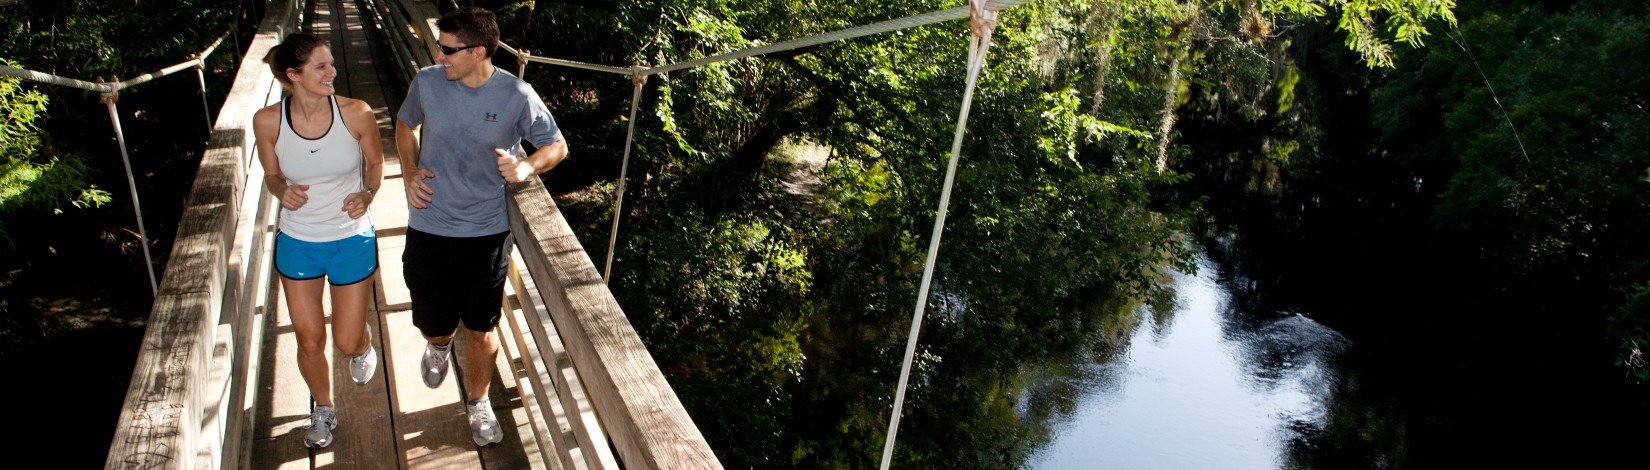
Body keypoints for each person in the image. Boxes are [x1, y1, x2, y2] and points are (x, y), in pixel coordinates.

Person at [395, 6, 569, 447]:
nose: (439, 56)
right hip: (429, 225)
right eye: (439, 47)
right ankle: (438, 345)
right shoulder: (427, 82)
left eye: (447, 49)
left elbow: (556, 145)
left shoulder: (516, 94)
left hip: (485, 233)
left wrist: (527, 167)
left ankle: (478, 401)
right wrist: (410, 169)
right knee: (434, 324)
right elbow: (405, 123)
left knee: (482, 327)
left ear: (477, 52)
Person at [252, 32, 386, 449]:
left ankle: (362, 343)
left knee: (346, 341)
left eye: (331, 63)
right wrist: (281, 190)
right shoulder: (268, 121)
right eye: (321, 66)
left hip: (350, 239)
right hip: (299, 241)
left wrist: (368, 193)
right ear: (293, 75)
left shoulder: (356, 113)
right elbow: (272, 174)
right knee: (309, 339)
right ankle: (323, 408)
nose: (332, 72)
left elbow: (376, 163)